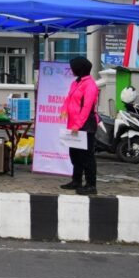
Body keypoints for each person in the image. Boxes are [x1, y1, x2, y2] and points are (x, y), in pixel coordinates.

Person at [60, 56, 99, 195]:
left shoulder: (90, 85)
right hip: (73, 124)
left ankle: (91, 185)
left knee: (87, 156)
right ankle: (76, 180)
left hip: (85, 125)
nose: (71, 70)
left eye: (73, 67)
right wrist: (64, 110)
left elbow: (87, 108)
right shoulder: (75, 83)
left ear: (80, 68)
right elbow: (68, 99)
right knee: (74, 154)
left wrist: (78, 124)